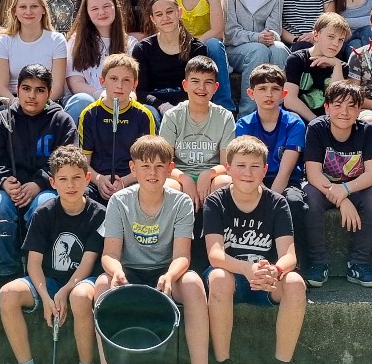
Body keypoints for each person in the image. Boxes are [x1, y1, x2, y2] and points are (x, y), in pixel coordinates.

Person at [90, 135, 220, 364]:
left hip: (167, 271)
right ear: (132, 168)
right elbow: (109, 254)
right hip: (129, 272)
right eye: (145, 166)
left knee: (194, 283)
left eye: (159, 166)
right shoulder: (119, 201)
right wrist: (116, 271)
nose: (152, 172)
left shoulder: (181, 202)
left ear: (170, 168)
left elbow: (182, 255)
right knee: (100, 285)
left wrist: (170, 275)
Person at [204, 135, 308, 364]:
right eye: (241, 165)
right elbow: (215, 254)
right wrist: (247, 269)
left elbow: (289, 255)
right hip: (232, 276)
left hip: (265, 278)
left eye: (254, 166)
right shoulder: (216, 201)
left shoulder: (277, 203)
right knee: (218, 277)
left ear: (265, 170)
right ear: (228, 168)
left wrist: (274, 270)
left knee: (295, 283)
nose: (247, 173)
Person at [0, 145, 106, 364]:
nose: (71, 185)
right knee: (7, 294)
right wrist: (46, 297)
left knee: (80, 296)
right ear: (53, 182)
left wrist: (66, 291)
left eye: (77, 178)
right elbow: (33, 263)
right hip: (48, 280)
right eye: (63, 179)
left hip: (83, 280)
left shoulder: (99, 214)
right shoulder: (44, 212)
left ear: (87, 178)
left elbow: (88, 262)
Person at [0, 64, 78, 289]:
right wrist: (4, 181)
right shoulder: (2, 119)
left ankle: (41, 270)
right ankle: (5, 268)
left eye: (39, 90)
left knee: (45, 205)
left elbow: (67, 161)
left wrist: (40, 183)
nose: (32, 96)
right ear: (17, 90)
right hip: (10, 187)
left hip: (46, 186)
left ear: (49, 93)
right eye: (26, 88)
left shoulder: (61, 121)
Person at [301, 80, 372, 288]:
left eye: (351, 106)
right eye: (337, 105)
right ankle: (318, 263)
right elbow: (313, 174)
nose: (344, 112)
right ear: (327, 108)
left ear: (359, 110)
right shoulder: (317, 128)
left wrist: (345, 190)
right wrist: (342, 200)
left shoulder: (366, 130)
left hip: (354, 187)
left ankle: (359, 264)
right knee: (309, 195)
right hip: (324, 187)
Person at [233, 64, 310, 255]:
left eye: (275, 89)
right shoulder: (244, 124)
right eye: (262, 89)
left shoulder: (294, 123)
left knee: (293, 203)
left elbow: (285, 172)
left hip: (287, 181)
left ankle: (295, 259)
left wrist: (268, 200)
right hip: (253, 179)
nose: (269, 94)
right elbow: (247, 166)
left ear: (284, 94)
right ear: (251, 93)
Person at [221, 0, 288, 117]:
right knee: (258, 51)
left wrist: (271, 35)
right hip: (235, 50)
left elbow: (274, 28)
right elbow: (229, 32)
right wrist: (256, 37)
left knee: (280, 50)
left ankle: (278, 113)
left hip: (263, 46)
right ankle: (247, 115)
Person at [167, 0, 236, 112]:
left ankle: (225, 107)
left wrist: (192, 44)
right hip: (180, 46)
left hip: (206, 46)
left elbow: (217, 30)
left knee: (215, 44)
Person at [159, 56, 236, 213]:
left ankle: (218, 226)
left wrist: (208, 174)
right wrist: (185, 179)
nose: (202, 87)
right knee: (167, 186)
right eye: (195, 81)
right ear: (185, 85)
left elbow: (226, 164)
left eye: (208, 82)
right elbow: (164, 163)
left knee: (225, 183)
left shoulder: (225, 117)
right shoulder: (172, 116)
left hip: (212, 176)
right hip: (179, 175)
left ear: (215, 87)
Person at [78, 54, 156, 203]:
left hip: (133, 180)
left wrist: (124, 182)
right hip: (97, 182)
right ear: (102, 81)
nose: (119, 85)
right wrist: (99, 180)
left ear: (135, 84)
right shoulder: (89, 114)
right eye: (113, 79)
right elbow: (83, 162)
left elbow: (148, 163)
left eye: (126, 80)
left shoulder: (143, 115)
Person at [64, 0, 134, 123]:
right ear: (87, 13)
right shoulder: (75, 41)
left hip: (120, 100)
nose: (101, 12)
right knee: (83, 100)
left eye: (106, 6)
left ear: (115, 7)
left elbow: (132, 84)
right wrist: (100, 95)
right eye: (95, 8)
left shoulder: (130, 43)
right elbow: (75, 82)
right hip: (86, 99)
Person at [0, 0, 68, 103]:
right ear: (14, 11)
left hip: (47, 102)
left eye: (34, 6)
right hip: (13, 101)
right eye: (23, 7)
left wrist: (39, 106)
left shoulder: (57, 40)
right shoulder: (3, 42)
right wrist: (20, 106)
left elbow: (57, 87)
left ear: (43, 9)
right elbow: (1, 88)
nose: (28, 12)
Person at [132, 0, 206, 115]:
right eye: (159, 14)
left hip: (187, 106)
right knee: (148, 112)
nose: (165, 18)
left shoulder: (197, 49)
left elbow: (200, 87)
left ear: (179, 12)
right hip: (155, 107)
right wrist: (162, 106)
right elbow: (140, 91)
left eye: (169, 12)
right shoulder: (142, 49)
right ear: (152, 19)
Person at [283, 13, 350, 122]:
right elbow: (289, 100)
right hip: (300, 119)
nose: (335, 44)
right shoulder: (297, 59)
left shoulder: (341, 66)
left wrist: (337, 66)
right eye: (331, 37)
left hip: (328, 122)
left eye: (340, 40)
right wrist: (316, 122)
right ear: (316, 35)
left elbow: (338, 102)